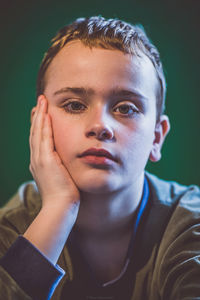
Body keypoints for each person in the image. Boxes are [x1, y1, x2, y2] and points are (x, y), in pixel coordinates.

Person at [0, 15, 199, 300]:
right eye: (74, 105)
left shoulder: (191, 225)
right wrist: (58, 207)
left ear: (157, 137)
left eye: (126, 108)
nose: (100, 126)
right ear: (39, 125)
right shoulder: (11, 229)